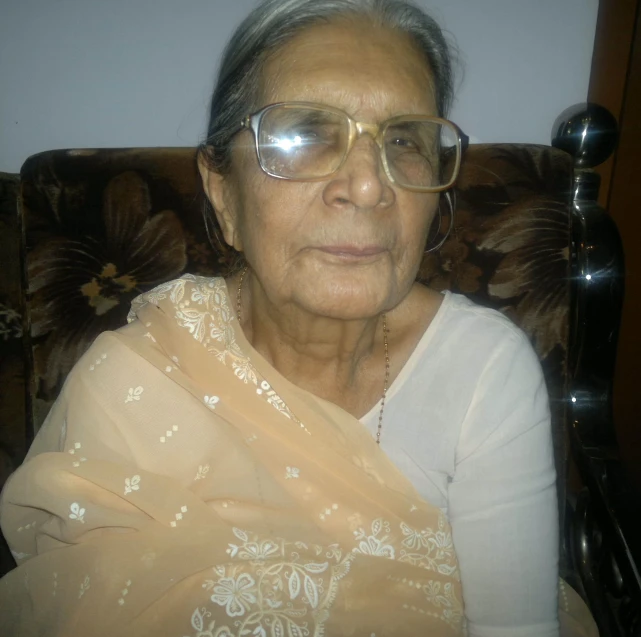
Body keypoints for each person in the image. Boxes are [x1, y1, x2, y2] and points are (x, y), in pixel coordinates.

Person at [0, 0, 597, 635]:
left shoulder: (483, 372)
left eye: (403, 140)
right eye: (305, 135)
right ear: (223, 193)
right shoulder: (136, 381)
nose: (367, 185)